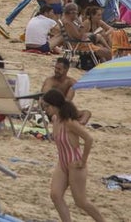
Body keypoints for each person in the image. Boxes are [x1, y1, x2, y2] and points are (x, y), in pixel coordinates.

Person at [41, 88, 106, 221]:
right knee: (55, 195)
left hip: (75, 163)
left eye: (46, 106)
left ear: (54, 105)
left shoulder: (69, 122)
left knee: (81, 202)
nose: (45, 109)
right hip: (62, 162)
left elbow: (88, 139)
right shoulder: (55, 119)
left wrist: (83, 160)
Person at [41, 58, 92, 125]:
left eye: (59, 69)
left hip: (63, 107)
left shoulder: (70, 82)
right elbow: (45, 97)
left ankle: (79, 124)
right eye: (55, 68)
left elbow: (68, 100)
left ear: (66, 70)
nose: (56, 70)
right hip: (50, 108)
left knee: (87, 113)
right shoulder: (50, 81)